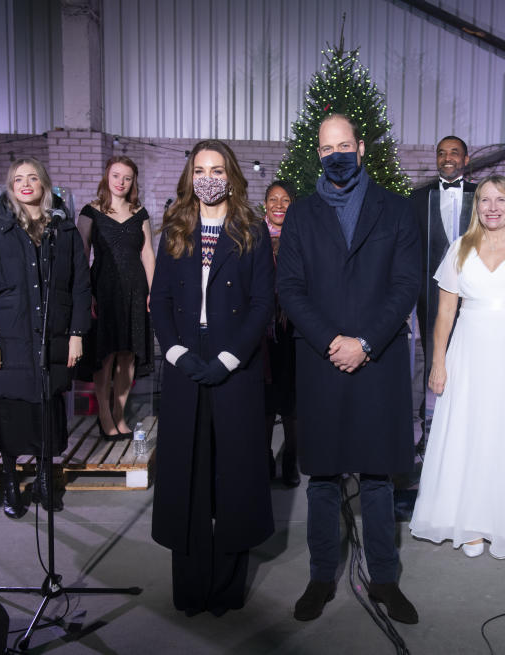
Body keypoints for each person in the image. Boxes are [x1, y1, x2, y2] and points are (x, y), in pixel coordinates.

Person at [277, 113, 421, 624]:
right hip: (320, 362)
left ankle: (384, 579)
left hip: (377, 361)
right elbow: (289, 288)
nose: (335, 154)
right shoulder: (300, 215)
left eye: (344, 145)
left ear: (360, 149)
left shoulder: (398, 211)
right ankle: (320, 577)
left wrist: (363, 341)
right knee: (322, 476)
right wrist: (331, 340)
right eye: (326, 146)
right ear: (318, 153)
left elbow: (406, 285)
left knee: (379, 476)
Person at [150, 139, 274, 616]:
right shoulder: (176, 230)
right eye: (200, 169)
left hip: (232, 363)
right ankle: (191, 590)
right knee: (188, 475)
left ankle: (226, 591)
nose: (208, 177)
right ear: (190, 177)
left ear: (231, 176)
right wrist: (176, 352)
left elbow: (263, 303)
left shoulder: (253, 231)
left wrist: (229, 358)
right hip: (185, 362)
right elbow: (159, 299)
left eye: (217, 169)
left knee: (234, 475)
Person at [409, 175, 505, 558]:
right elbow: (445, 312)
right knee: (470, 433)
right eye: (484, 200)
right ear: (475, 207)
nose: (492, 207)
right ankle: (472, 522)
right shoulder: (461, 247)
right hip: (469, 352)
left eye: (500, 200)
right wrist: (438, 363)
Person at [0, 158, 90, 517]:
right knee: (11, 414)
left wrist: (77, 334)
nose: (25, 183)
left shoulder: (63, 231)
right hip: (9, 338)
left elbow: (80, 286)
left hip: (52, 338)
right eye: (18, 178)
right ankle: (9, 480)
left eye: (33, 177)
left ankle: (44, 479)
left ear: (44, 185)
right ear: (10, 187)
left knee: (47, 412)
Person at [78, 156, 155, 438]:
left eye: (127, 178)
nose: (121, 182)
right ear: (107, 177)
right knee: (106, 356)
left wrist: (153, 291)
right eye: (116, 176)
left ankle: (120, 414)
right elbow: (82, 256)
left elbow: (148, 254)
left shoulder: (140, 213)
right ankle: (104, 415)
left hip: (135, 289)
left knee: (128, 356)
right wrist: (87, 294)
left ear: (133, 181)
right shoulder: (90, 212)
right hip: (104, 289)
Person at [411, 136, 477, 448]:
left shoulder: (482, 196)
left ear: (466, 159)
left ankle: (466, 430)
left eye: (454, 153)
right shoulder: (417, 198)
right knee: (432, 361)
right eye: (441, 153)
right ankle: (428, 433)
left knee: (469, 362)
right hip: (431, 295)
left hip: (476, 295)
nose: (447, 158)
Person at [263, 180, 300, 487]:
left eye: (285, 200)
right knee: (263, 402)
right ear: (265, 205)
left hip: (291, 331)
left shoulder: (300, 237)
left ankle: (290, 461)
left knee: (291, 404)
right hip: (261, 333)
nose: (278, 204)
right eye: (273, 199)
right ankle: (263, 461)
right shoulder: (254, 236)